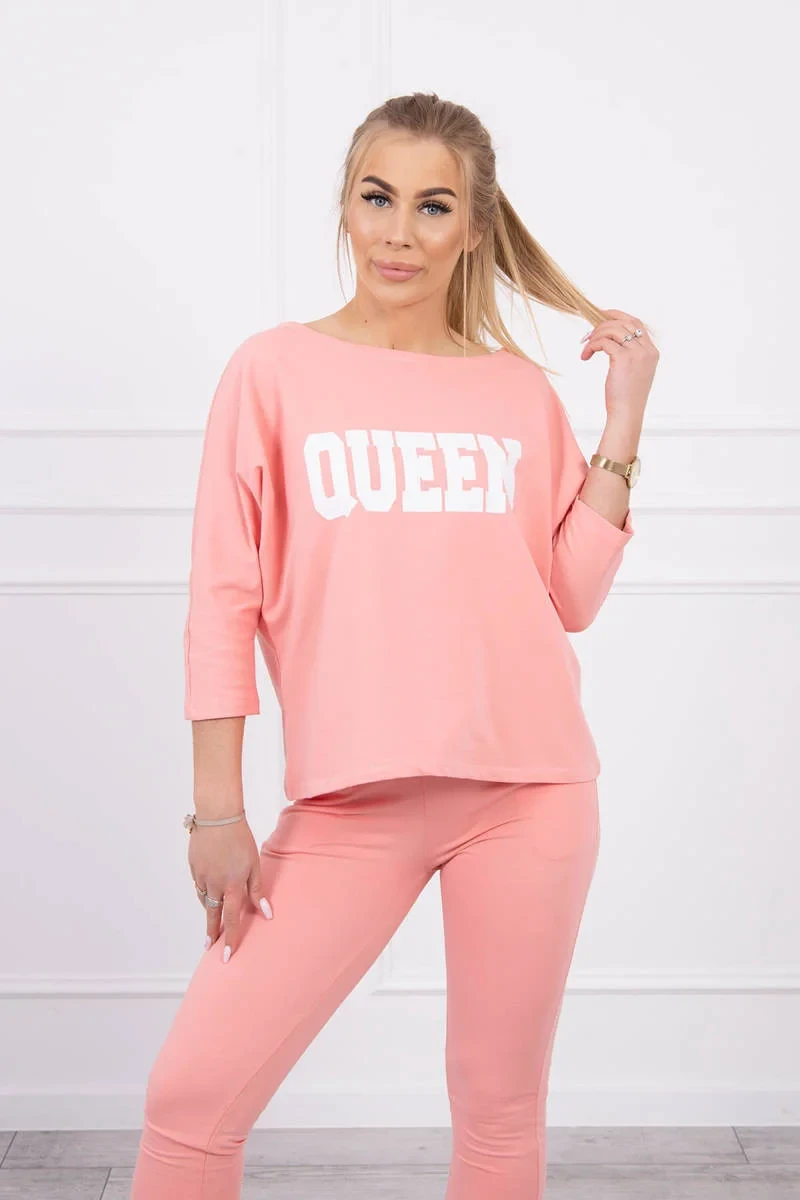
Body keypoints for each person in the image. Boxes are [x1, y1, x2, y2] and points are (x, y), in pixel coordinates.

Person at [131, 90, 658, 1200]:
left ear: (472, 228)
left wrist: (621, 422)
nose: (398, 233)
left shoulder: (514, 393)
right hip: (346, 804)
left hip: (529, 794)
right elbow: (223, 600)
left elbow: (568, 596)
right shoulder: (272, 373)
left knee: (498, 1114)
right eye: (378, 198)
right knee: (190, 1102)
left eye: (432, 206)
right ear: (345, 204)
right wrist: (217, 812)